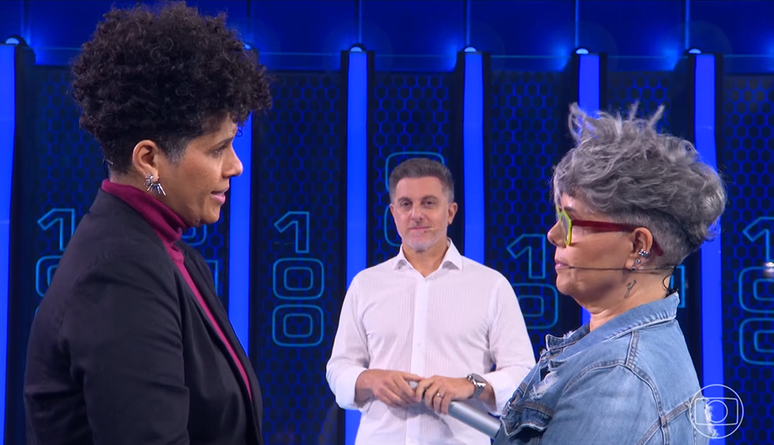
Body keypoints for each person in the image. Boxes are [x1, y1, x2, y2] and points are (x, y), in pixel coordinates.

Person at [24, 3, 272, 445]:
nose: (235, 166)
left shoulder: (173, 255)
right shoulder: (120, 272)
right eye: (218, 149)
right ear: (149, 160)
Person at [493, 104, 725, 445]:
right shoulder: (616, 353)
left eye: (570, 221)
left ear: (638, 247)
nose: (553, 235)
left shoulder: (619, 380)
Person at [327, 158, 535, 445]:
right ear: (393, 213)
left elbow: (523, 377)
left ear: (450, 212)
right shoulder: (366, 285)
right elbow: (339, 369)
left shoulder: (492, 286)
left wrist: (470, 385)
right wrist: (371, 379)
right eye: (406, 204)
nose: (416, 215)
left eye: (428, 203)